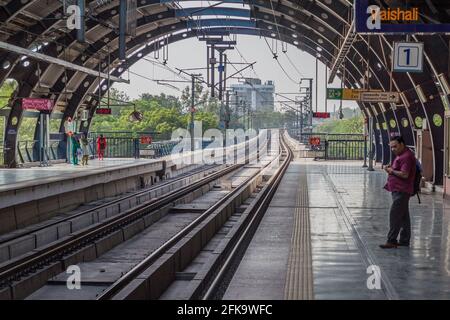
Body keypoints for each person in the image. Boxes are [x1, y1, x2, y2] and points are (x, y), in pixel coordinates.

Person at [380, 136, 416, 249]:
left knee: (395, 214)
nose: (393, 149)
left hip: (402, 190)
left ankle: (391, 240)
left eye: (395, 146)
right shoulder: (402, 155)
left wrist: (391, 171)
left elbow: (405, 174)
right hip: (398, 189)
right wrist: (392, 168)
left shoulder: (406, 157)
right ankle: (404, 240)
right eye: (391, 147)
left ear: (402, 144)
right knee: (404, 216)